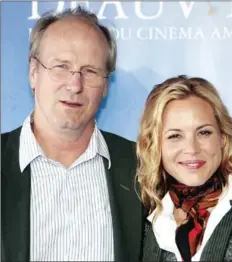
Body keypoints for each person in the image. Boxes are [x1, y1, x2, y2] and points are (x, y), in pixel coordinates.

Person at [1, 6, 144, 262]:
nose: (75, 85)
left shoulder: (142, 167)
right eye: (61, 67)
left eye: (90, 71)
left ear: (106, 85)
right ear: (33, 73)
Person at [136, 75, 232, 261]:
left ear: (223, 138)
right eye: (175, 136)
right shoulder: (144, 221)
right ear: (154, 145)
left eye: (204, 132)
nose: (192, 149)